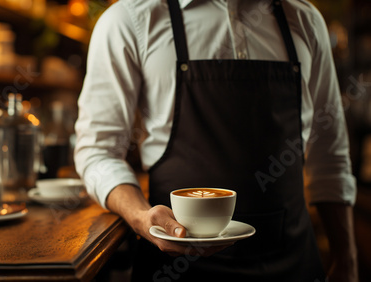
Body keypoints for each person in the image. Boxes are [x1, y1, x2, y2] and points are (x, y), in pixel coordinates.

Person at [74, 0, 358, 281]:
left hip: (293, 263)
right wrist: (140, 216)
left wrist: (347, 259)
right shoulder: (130, 20)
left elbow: (330, 155)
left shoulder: (305, 20)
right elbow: (98, 151)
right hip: (175, 267)